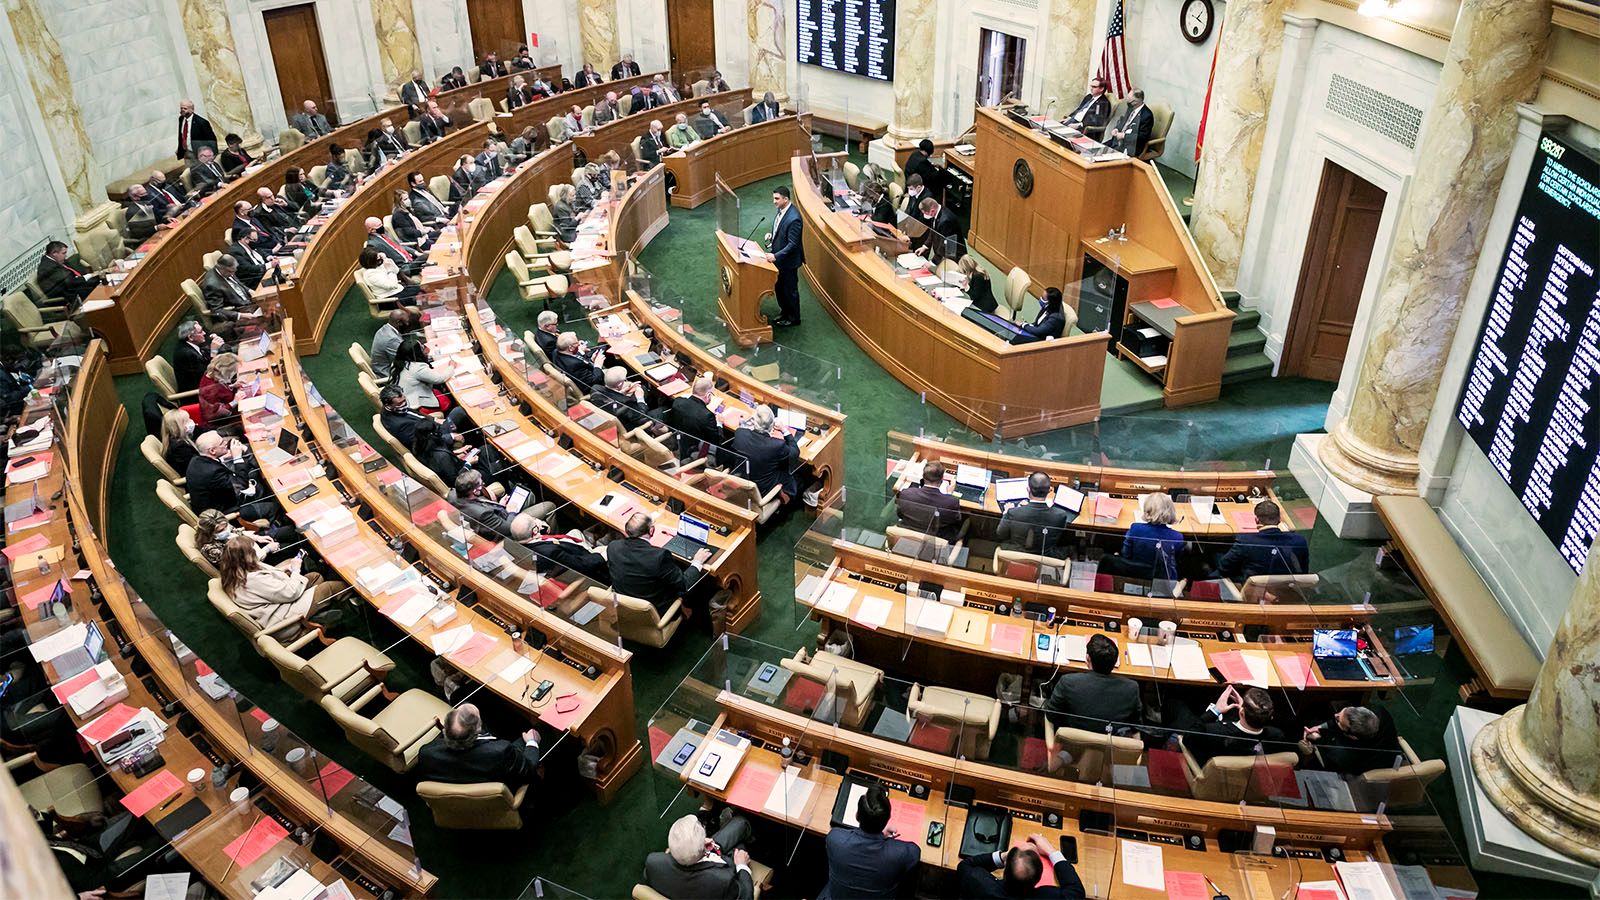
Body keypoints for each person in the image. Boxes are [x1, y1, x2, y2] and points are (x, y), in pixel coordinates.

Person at [819, 783, 920, 899]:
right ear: (887, 820)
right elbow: (915, 852)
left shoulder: (835, 839)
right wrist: (882, 834)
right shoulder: (901, 853)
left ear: (857, 816)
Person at [607, 513, 713, 615]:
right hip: (654, 611)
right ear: (651, 530)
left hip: (622, 606)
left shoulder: (613, 547)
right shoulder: (659, 556)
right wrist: (697, 562)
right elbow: (684, 584)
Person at [414, 702, 541, 785]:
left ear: (445, 730)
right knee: (542, 729)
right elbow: (529, 768)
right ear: (478, 729)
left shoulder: (426, 753)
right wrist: (532, 742)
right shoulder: (501, 751)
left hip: (458, 797)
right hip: (500, 795)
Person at [1045, 633, 1141, 734]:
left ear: (1088, 658)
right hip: (1110, 741)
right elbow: (1135, 726)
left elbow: (1051, 716)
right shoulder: (1131, 688)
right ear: (1115, 662)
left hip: (1073, 740)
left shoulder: (1068, 682)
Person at [642, 813, 754, 900]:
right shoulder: (723, 881)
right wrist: (742, 866)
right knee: (740, 838)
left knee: (740, 824)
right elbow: (746, 897)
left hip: (700, 861)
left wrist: (694, 848)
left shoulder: (653, 862)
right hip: (723, 868)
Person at [1176, 685, 1290, 766]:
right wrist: (1244, 710)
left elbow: (1188, 738)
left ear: (1241, 713)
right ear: (1271, 717)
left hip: (1211, 778)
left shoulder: (1213, 732)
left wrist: (1215, 711)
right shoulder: (1276, 737)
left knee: (1176, 704)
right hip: (1246, 781)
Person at [958, 834, 1087, 899]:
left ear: (1005, 870)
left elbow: (965, 865)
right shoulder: (1048, 896)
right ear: (1039, 877)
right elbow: (1076, 892)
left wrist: (1004, 856)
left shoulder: (980, 884)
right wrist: (1050, 850)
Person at [185, 431, 278, 521]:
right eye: (222, 443)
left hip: (222, 499)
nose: (226, 443)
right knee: (275, 506)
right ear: (212, 450)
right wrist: (237, 457)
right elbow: (242, 486)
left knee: (257, 479)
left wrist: (223, 457)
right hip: (224, 514)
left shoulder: (196, 459)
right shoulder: (213, 472)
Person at [500, 514, 611, 585]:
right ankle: (603, 540)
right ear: (535, 531)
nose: (537, 520)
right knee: (609, 548)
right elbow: (582, 565)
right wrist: (602, 556)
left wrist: (541, 530)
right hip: (585, 560)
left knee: (575, 532)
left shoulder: (514, 544)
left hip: (562, 547)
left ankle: (593, 537)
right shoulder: (551, 552)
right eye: (535, 520)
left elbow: (537, 539)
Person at [1212, 500, 1309, 578]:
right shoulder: (1299, 541)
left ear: (1256, 520)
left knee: (1216, 554)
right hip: (1287, 588)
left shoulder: (1245, 541)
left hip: (1254, 588)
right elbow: (1303, 570)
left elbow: (1224, 567)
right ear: (1279, 520)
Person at [722, 405, 800, 500]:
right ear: (772, 426)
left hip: (740, 481)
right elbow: (795, 453)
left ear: (754, 421)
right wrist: (784, 430)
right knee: (794, 478)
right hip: (762, 490)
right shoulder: (777, 445)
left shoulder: (740, 433)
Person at [1299, 705, 1401, 776]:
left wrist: (1318, 738)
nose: (1335, 715)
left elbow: (1331, 760)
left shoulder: (1342, 755)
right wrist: (1321, 727)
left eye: (1338, 720)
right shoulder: (1378, 711)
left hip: (1363, 768)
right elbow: (1341, 720)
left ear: (1352, 737)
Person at [995, 472, 1071, 554]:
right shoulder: (1060, 515)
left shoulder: (1013, 512)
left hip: (1016, 554)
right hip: (1045, 556)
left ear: (1028, 489)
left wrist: (1006, 513)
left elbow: (1000, 534)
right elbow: (1059, 537)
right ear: (1049, 490)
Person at [1114, 492, 1184, 579]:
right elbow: (1175, 562)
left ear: (1147, 511)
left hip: (1135, 575)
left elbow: (1125, 555)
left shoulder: (1135, 529)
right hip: (1163, 580)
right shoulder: (1177, 537)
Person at [380, 383, 467, 448]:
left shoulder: (391, 409)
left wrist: (434, 419)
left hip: (433, 426)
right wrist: (450, 437)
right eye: (400, 403)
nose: (404, 404)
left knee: (460, 411)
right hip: (436, 437)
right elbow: (422, 444)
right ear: (388, 405)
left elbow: (413, 413)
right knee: (459, 412)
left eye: (404, 400)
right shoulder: (402, 426)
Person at [765, 186, 804, 326]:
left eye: (777, 199)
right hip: (780, 260)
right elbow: (780, 229)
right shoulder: (782, 210)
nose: (774, 201)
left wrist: (775, 256)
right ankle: (784, 312)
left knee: (789, 290)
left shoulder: (794, 219)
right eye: (774, 198)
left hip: (788, 262)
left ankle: (793, 318)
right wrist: (772, 235)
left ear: (786, 199)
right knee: (780, 289)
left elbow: (793, 244)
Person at [895, 460, 962, 540]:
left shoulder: (906, 493)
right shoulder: (951, 502)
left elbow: (900, 514)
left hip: (907, 537)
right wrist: (949, 495)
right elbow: (956, 520)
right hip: (935, 540)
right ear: (942, 479)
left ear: (923, 477)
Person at [195, 508, 282, 569]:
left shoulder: (222, 524)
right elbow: (243, 565)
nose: (226, 530)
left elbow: (236, 532)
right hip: (255, 563)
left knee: (286, 532)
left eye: (226, 526)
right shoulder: (212, 550)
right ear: (209, 533)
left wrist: (256, 538)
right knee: (286, 547)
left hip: (250, 546)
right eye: (221, 530)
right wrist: (266, 550)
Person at [669, 373, 724, 462]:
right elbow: (716, 441)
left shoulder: (677, 401)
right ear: (708, 395)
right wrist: (719, 423)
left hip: (678, 441)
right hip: (695, 449)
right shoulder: (707, 415)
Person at [395, 337, 455, 413]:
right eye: (422, 348)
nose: (424, 349)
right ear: (417, 353)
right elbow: (440, 378)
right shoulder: (417, 368)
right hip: (418, 404)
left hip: (407, 397)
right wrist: (451, 366)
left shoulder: (398, 363)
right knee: (450, 400)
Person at [201, 254, 259, 330]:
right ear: (222, 268)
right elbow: (217, 310)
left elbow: (238, 283)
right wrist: (240, 315)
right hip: (239, 309)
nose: (232, 274)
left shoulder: (228, 271)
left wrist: (249, 290)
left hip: (249, 301)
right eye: (231, 272)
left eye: (234, 271)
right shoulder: (212, 285)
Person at [453, 470, 513, 539]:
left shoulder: (452, 495)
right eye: (481, 484)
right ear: (475, 491)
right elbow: (509, 528)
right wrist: (511, 512)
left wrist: (500, 505)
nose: (483, 484)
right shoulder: (483, 514)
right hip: (499, 533)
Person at [35, 241, 101, 304]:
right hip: (65, 296)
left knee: (99, 279)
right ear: (54, 253)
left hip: (70, 287)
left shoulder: (57, 260)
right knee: (95, 287)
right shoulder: (47, 267)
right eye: (64, 253)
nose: (66, 256)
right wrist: (89, 276)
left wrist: (89, 276)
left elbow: (72, 275)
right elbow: (68, 282)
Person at [593, 367, 654, 432]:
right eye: (625, 380)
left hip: (607, 416)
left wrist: (621, 392)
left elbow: (610, 396)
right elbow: (642, 417)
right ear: (619, 385)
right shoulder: (626, 404)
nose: (626, 381)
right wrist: (640, 398)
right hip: (628, 426)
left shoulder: (596, 388)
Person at [412, 417, 463, 487]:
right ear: (434, 434)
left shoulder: (417, 447)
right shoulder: (443, 456)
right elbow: (455, 480)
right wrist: (468, 464)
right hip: (459, 482)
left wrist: (454, 453)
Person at [173, 319, 220, 393]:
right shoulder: (187, 354)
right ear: (191, 337)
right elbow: (207, 375)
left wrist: (214, 343)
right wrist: (214, 352)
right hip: (199, 392)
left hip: (207, 385)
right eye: (201, 332)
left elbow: (205, 357)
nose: (204, 333)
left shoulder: (190, 343)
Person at [196, 352, 242, 430]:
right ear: (226, 372)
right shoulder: (210, 390)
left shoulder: (211, 375)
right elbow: (216, 414)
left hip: (232, 415)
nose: (234, 374)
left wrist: (232, 386)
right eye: (234, 372)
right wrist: (234, 402)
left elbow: (220, 391)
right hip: (223, 424)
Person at [915, 196, 965, 261]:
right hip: (943, 252)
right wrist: (925, 246)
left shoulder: (945, 221)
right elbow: (933, 231)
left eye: (925, 213)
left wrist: (934, 261)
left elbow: (944, 244)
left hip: (953, 256)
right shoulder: (936, 212)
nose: (925, 216)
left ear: (932, 211)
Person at [1106, 89, 1154, 158]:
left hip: (1131, 146)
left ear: (1136, 101)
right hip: (1118, 142)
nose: (1127, 101)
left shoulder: (1147, 115)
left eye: (1129, 99)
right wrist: (1116, 129)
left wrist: (1124, 136)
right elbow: (1123, 121)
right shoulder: (1131, 108)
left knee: (1107, 158)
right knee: (1098, 149)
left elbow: (1143, 137)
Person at [370, 308, 411, 380]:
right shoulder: (391, 340)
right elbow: (404, 361)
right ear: (399, 323)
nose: (408, 324)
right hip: (389, 374)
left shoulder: (385, 329)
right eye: (407, 322)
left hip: (384, 367)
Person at [159, 408, 200, 474]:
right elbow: (196, 467)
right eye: (187, 421)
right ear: (179, 427)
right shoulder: (180, 447)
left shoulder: (174, 437)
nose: (191, 421)